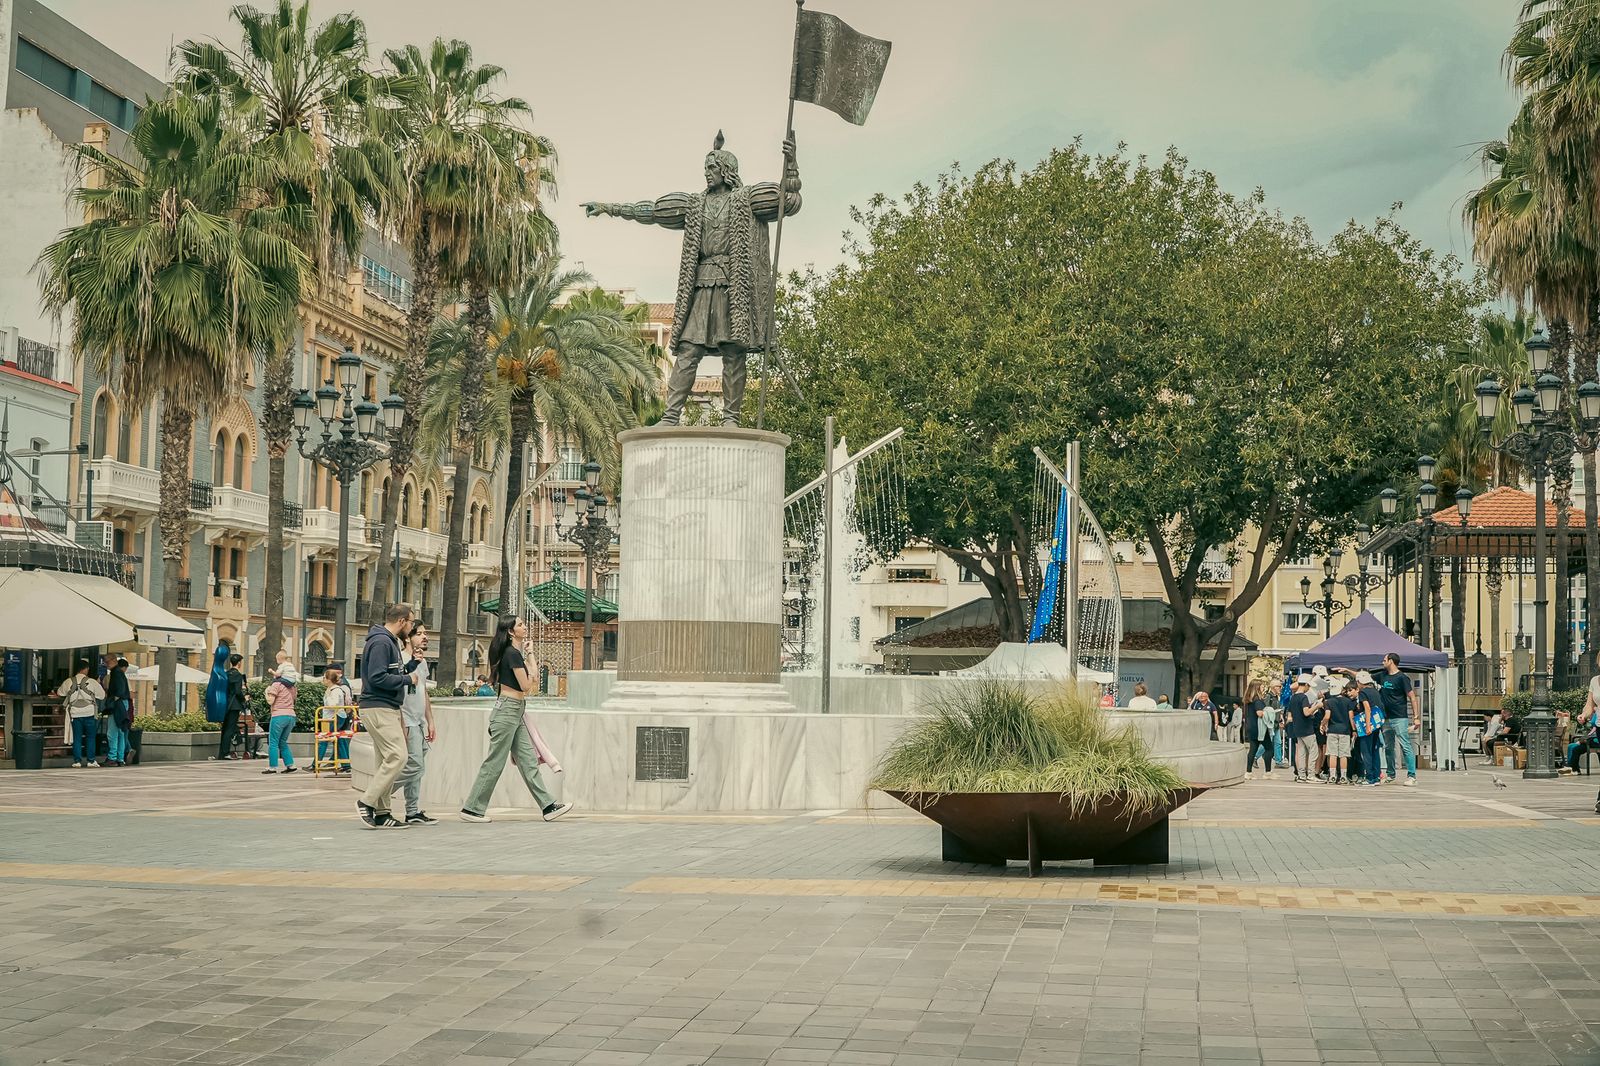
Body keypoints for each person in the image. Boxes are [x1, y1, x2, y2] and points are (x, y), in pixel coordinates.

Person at [460, 615, 573, 824]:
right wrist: (528, 666)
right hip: (507, 711)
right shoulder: (511, 654)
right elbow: (526, 686)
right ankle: (472, 808)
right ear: (511, 631)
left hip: (515, 710)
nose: (525, 626)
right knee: (494, 762)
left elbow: (534, 679)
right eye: (520, 624)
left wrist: (530, 653)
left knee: (528, 761)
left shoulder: (515, 653)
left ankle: (548, 806)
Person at [357, 603, 419, 829]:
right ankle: (366, 801)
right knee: (398, 756)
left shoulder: (386, 641)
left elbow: (389, 673)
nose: (411, 628)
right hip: (378, 707)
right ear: (402, 621)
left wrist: (411, 666)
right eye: (411, 623)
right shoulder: (382, 642)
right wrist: (407, 680)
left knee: (384, 759)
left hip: (383, 706)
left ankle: (383, 813)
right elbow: (377, 677)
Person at [393, 622, 438, 826]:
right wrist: (402, 724)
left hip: (419, 721)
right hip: (407, 720)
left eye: (425, 633)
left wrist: (430, 721)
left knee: (418, 769)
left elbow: (424, 692)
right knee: (415, 765)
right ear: (407, 637)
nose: (424, 637)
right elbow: (398, 693)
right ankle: (375, 795)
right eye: (419, 634)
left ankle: (412, 811)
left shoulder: (422, 662)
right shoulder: (400, 659)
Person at [1378, 652, 1419, 786]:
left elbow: (1412, 697)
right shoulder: (1382, 675)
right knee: (1388, 747)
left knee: (1405, 745)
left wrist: (1416, 717)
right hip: (1386, 718)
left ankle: (1412, 776)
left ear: (1391, 661)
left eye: (1384, 660)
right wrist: (1348, 671)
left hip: (1400, 717)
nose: (1382, 662)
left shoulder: (1402, 678)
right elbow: (1363, 678)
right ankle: (1391, 774)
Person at [57, 659, 105, 767]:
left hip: (75, 713)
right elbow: (102, 695)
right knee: (91, 737)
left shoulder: (69, 681)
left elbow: (59, 692)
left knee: (77, 737)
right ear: (86, 669)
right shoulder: (92, 682)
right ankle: (91, 760)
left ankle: (77, 761)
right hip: (89, 713)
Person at [1286, 674, 1323, 784]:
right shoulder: (1303, 697)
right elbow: (1306, 712)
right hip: (1307, 728)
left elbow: (1290, 714)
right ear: (1306, 685)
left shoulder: (1293, 697)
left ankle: (1301, 775)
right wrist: (1317, 706)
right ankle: (1311, 774)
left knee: (1301, 752)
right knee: (1313, 751)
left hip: (1297, 728)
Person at [261, 670, 298, 774]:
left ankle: (272, 767)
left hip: (278, 716)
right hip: (291, 715)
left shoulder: (276, 684)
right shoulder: (292, 687)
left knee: (273, 742)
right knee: (282, 741)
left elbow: (270, 701)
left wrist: (266, 693)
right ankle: (290, 765)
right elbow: (294, 699)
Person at [318, 665, 354, 773]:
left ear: (329, 680)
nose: (323, 680)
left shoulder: (334, 690)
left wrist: (328, 697)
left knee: (325, 740)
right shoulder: (336, 689)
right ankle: (346, 765)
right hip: (338, 716)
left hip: (333, 717)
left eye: (325, 678)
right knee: (340, 740)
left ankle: (316, 763)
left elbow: (332, 704)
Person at [1323, 678, 1358, 785]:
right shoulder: (1348, 702)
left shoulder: (1328, 702)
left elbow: (1327, 716)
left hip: (1332, 730)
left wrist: (1323, 723)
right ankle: (1343, 777)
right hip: (1345, 731)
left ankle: (1332, 776)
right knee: (1343, 755)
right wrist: (1354, 729)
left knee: (1332, 754)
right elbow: (1351, 717)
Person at [214, 653, 247, 761]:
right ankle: (226, 753)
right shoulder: (237, 675)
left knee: (225, 728)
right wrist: (244, 699)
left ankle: (222, 753)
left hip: (225, 704)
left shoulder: (226, 673)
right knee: (230, 728)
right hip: (234, 705)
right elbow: (238, 691)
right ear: (239, 663)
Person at [1355, 670, 1385, 786]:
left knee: (1366, 751)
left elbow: (1367, 708)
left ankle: (1369, 778)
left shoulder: (1363, 693)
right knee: (1375, 751)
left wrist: (1368, 726)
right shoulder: (1375, 691)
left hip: (1368, 725)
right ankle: (1376, 777)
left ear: (1359, 682)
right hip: (1377, 725)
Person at [102, 658, 133, 766]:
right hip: (123, 704)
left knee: (112, 732)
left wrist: (112, 701)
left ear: (113, 660)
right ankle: (120, 758)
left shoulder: (116, 673)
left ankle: (112, 757)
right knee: (121, 732)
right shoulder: (120, 673)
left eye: (106, 661)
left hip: (117, 705)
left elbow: (119, 691)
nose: (105, 664)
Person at [1244, 680, 1274, 780]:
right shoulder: (1258, 700)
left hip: (1250, 727)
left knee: (1252, 749)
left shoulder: (1248, 700)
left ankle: (1248, 772)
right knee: (1269, 748)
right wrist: (1270, 712)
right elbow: (1260, 713)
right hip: (1259, 728)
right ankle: (1268, 773)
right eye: (1262, 686)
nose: (1263, 688)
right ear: (1257, 688)